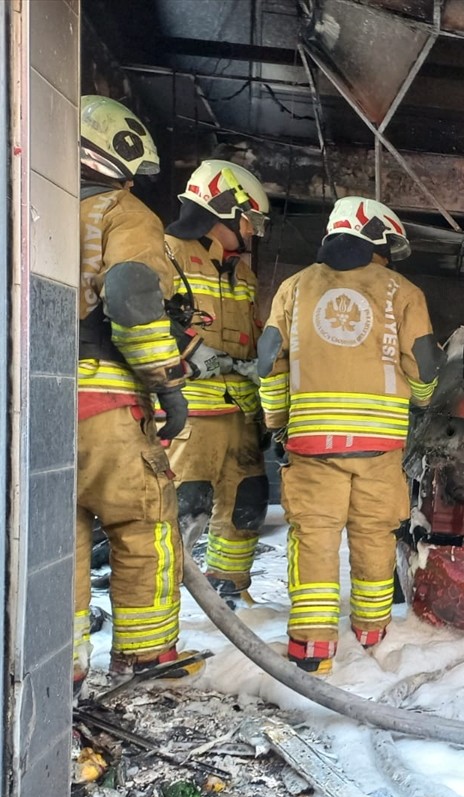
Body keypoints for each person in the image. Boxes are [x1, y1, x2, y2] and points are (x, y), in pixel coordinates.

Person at [257, 197, 442, 675]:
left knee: (315, 538)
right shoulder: (403, 291)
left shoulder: (293, 289)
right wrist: (419, 400)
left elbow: (269, 360)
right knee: (375, 535)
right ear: (378, 238)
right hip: (379, 446)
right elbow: (423, 362)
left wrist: (278, 420)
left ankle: (312, 651)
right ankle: (371, 633)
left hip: (311, 443)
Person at [75, 96, 200, 683]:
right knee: (144, 523)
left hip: (23, 403)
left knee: (57, 538)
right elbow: (128, 294)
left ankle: (63, 668)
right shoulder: (123, 213)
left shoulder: (24, 203)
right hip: (104, 403)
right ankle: (146, 655)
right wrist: (167, 386)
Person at [162, 160, 271, 607]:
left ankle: (228, 587)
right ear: (223, 208)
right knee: (183, 507)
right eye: (250, 220)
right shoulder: (166, 252)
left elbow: (255, 336)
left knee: (248, 503)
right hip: (191, 414)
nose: (253, 232)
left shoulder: (243, 275)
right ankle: (162, 598)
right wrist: (191, 353)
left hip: (240, 414)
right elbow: (142, 316)